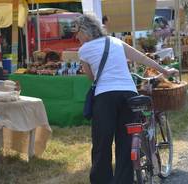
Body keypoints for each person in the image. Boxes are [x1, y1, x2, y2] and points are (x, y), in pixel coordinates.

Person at [73, 14, 178, 184]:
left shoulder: (84, 50)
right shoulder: (115, 42)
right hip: (130, 95)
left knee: (102, 143)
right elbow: (142, 58)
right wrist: (165, 71)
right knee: (126, 144)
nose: (76, 37)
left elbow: (92, 78)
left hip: (105, 97)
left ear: (84, 31)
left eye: (76, 32)